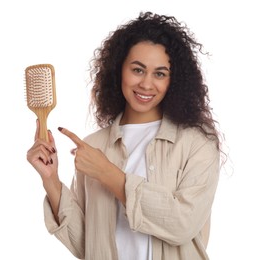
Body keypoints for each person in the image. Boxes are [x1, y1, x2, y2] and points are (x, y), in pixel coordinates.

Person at [27, 11, 222, 260]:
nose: (146, 84)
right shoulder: (94, 146)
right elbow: (88, 245)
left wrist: (108, 174)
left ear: (173, 81)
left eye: (160, 74)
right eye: (138, 70)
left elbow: (182, 224)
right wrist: (51, 179)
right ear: (119, 70)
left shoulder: (197, 143)